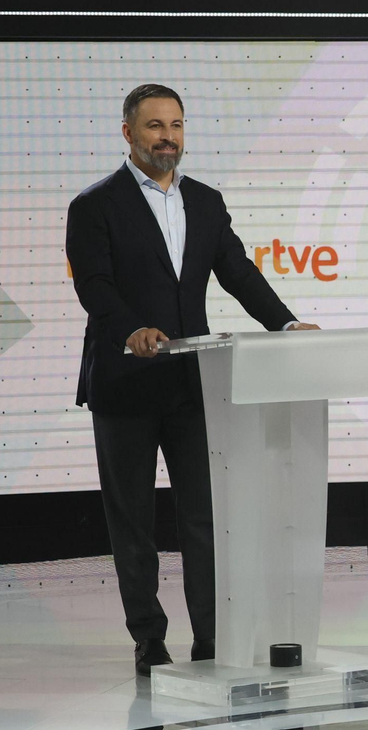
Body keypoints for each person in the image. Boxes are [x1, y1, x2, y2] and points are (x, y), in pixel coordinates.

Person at [66, 84, 319, 675]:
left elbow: (236, 270)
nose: (168, 137)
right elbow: (94, 286)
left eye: (177, 125)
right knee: (132, 520)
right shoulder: (94, 205)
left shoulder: (205, 201)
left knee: (204, 517)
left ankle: (212, 635)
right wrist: (131, 329)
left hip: (192, 386)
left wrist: (284, 323)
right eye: (155, 126)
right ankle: (148, 637)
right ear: (128, 133)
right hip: (125, 384)